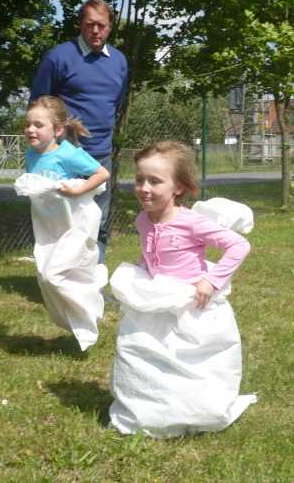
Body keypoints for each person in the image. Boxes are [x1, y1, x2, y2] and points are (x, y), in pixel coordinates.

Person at [108, 141, 256, 437]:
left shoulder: (192, 223)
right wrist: (143, 273)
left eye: (155, 181)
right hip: (157, 300)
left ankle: (193, 407)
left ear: (178, 187)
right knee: (139, 350)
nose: (144, 188)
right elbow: (150, 253)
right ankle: (149, 405)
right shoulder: (142, 220)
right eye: (139, 179)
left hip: (191, 302)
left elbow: (239, 245)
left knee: (188, 357)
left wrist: (211, 280)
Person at [29, 0, 128, 263]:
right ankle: (57, 277)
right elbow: (38, 106)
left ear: (110, 27)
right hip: (63, 155)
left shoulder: (119, 61)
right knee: (61, 222)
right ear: (80, 24)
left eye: (102, 25)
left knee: (97, 220)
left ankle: (93, 277)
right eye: (90, 24)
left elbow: (116, 103)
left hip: (100, 155)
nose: (96, 30)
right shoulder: (58, 58)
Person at [15, 96, 110, 351]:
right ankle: (77, 318)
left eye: (38, 125)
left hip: (74, 226)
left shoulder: (68, 153)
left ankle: (88, 315)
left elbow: (102, 174)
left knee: (53, 275)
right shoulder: (30, 156)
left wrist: (78, 191)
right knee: (45, 277)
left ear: (58, 130)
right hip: (49, 228)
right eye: (28, 124)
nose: (31, 130)